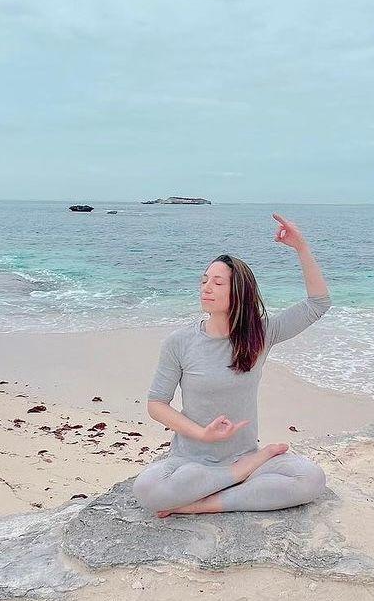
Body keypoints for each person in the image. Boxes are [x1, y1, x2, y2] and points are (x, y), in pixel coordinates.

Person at [132, 212, 331, 517]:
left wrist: (301, 246)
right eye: (203, 281)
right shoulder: (180, 341)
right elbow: (157, 404)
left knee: (311, 479)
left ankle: (205, 503)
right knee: (146, 488)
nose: (206, 287)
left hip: (245, 456)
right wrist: (203, 435)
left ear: (238, 291)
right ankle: (235, 477)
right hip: (190, 461)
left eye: (217, 282)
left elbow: (318, 303)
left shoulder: (261, 335)